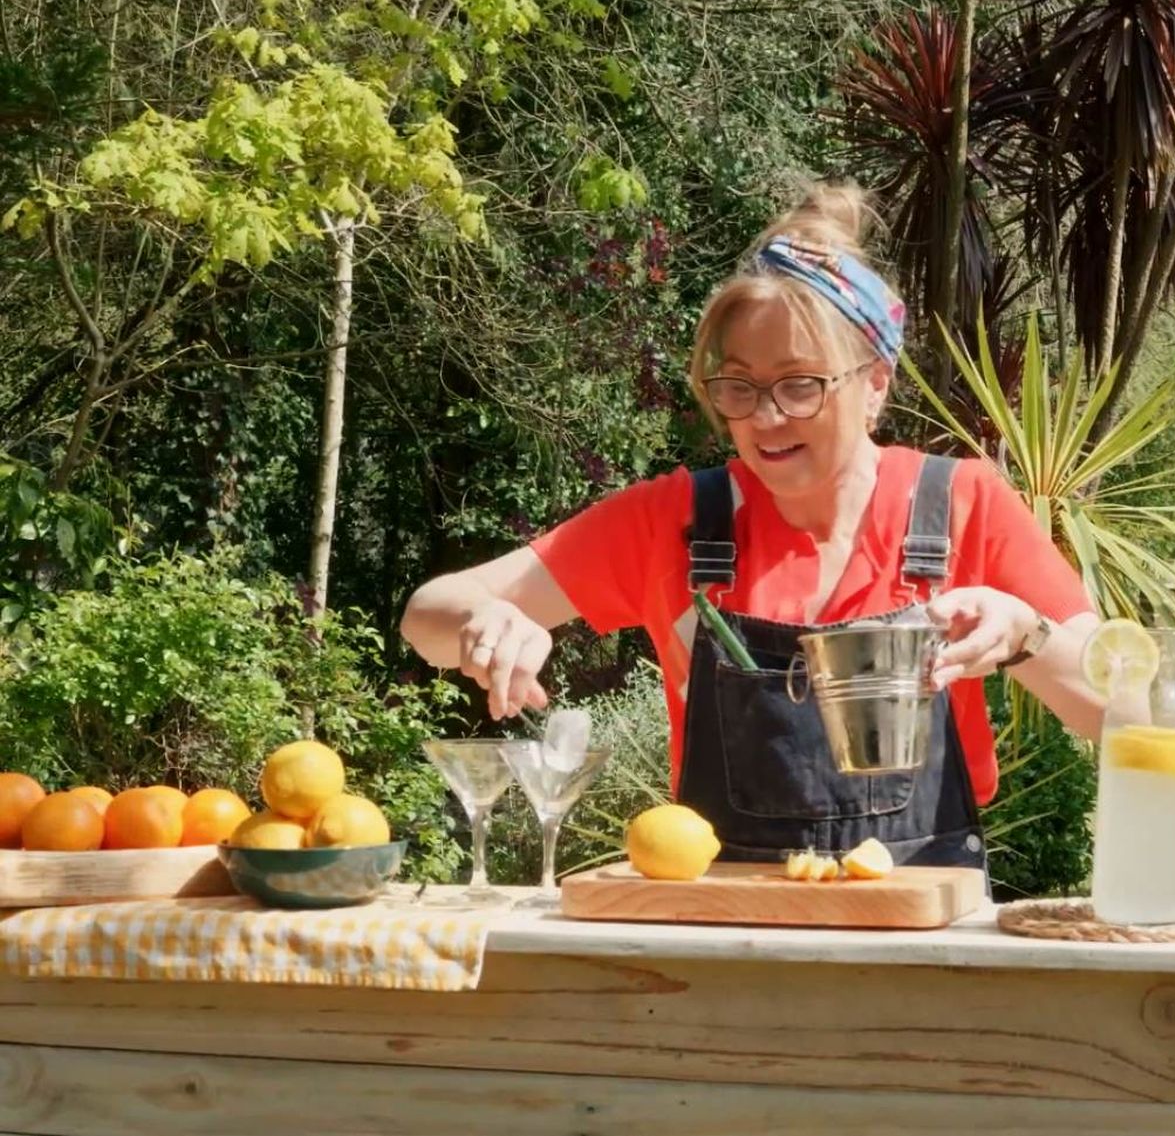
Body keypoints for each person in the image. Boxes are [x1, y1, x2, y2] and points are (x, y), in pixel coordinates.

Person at [401, 182, 1108, 869]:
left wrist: (1027, 634)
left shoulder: (961, 505)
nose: (764, 417)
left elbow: (1123, 712)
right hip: (723, 929)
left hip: (923, 923)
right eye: (738, 385)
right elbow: (425, 615)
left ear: (875, 384)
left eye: (801, 384)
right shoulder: (672, 520)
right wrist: (488, 621)